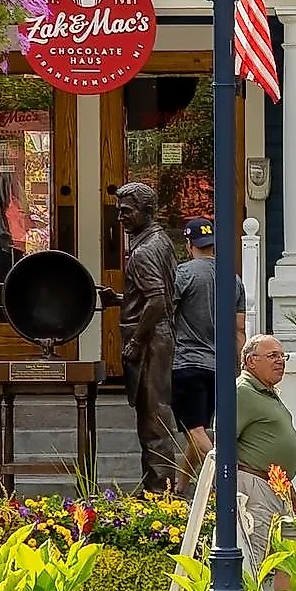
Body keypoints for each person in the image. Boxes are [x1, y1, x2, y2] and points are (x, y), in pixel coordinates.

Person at [114, 181, 184, 492]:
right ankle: (156, 486)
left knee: (153, 419)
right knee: (156, 414)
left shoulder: (143, 251)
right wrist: (121, 299)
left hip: (151, 341)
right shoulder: (161, 241)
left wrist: (136, 342)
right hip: (161, 335)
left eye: (127, 212)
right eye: (119, 212)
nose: (121, 217)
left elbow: (157, 300)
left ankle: (159, 491)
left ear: (149, 212)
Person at [229, 333, 296, 574]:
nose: (280, 361)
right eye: (273, 355)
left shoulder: (265, 392)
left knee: (285, 563)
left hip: (275, 486)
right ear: (251, 361)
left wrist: (286, 486)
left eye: (283, 356)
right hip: (255, 488)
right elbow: (226, 440)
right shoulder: (242, 391)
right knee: (253, 559)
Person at [170, 217, 218, 485]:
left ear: (189, 244)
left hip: (186, 363)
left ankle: (227, 480)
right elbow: (238, 330)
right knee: (196, 429)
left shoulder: (183, 274)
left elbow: (165, 311)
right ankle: (181, 488)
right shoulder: (232, 279)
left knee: (196, 430)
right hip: (216, 366)